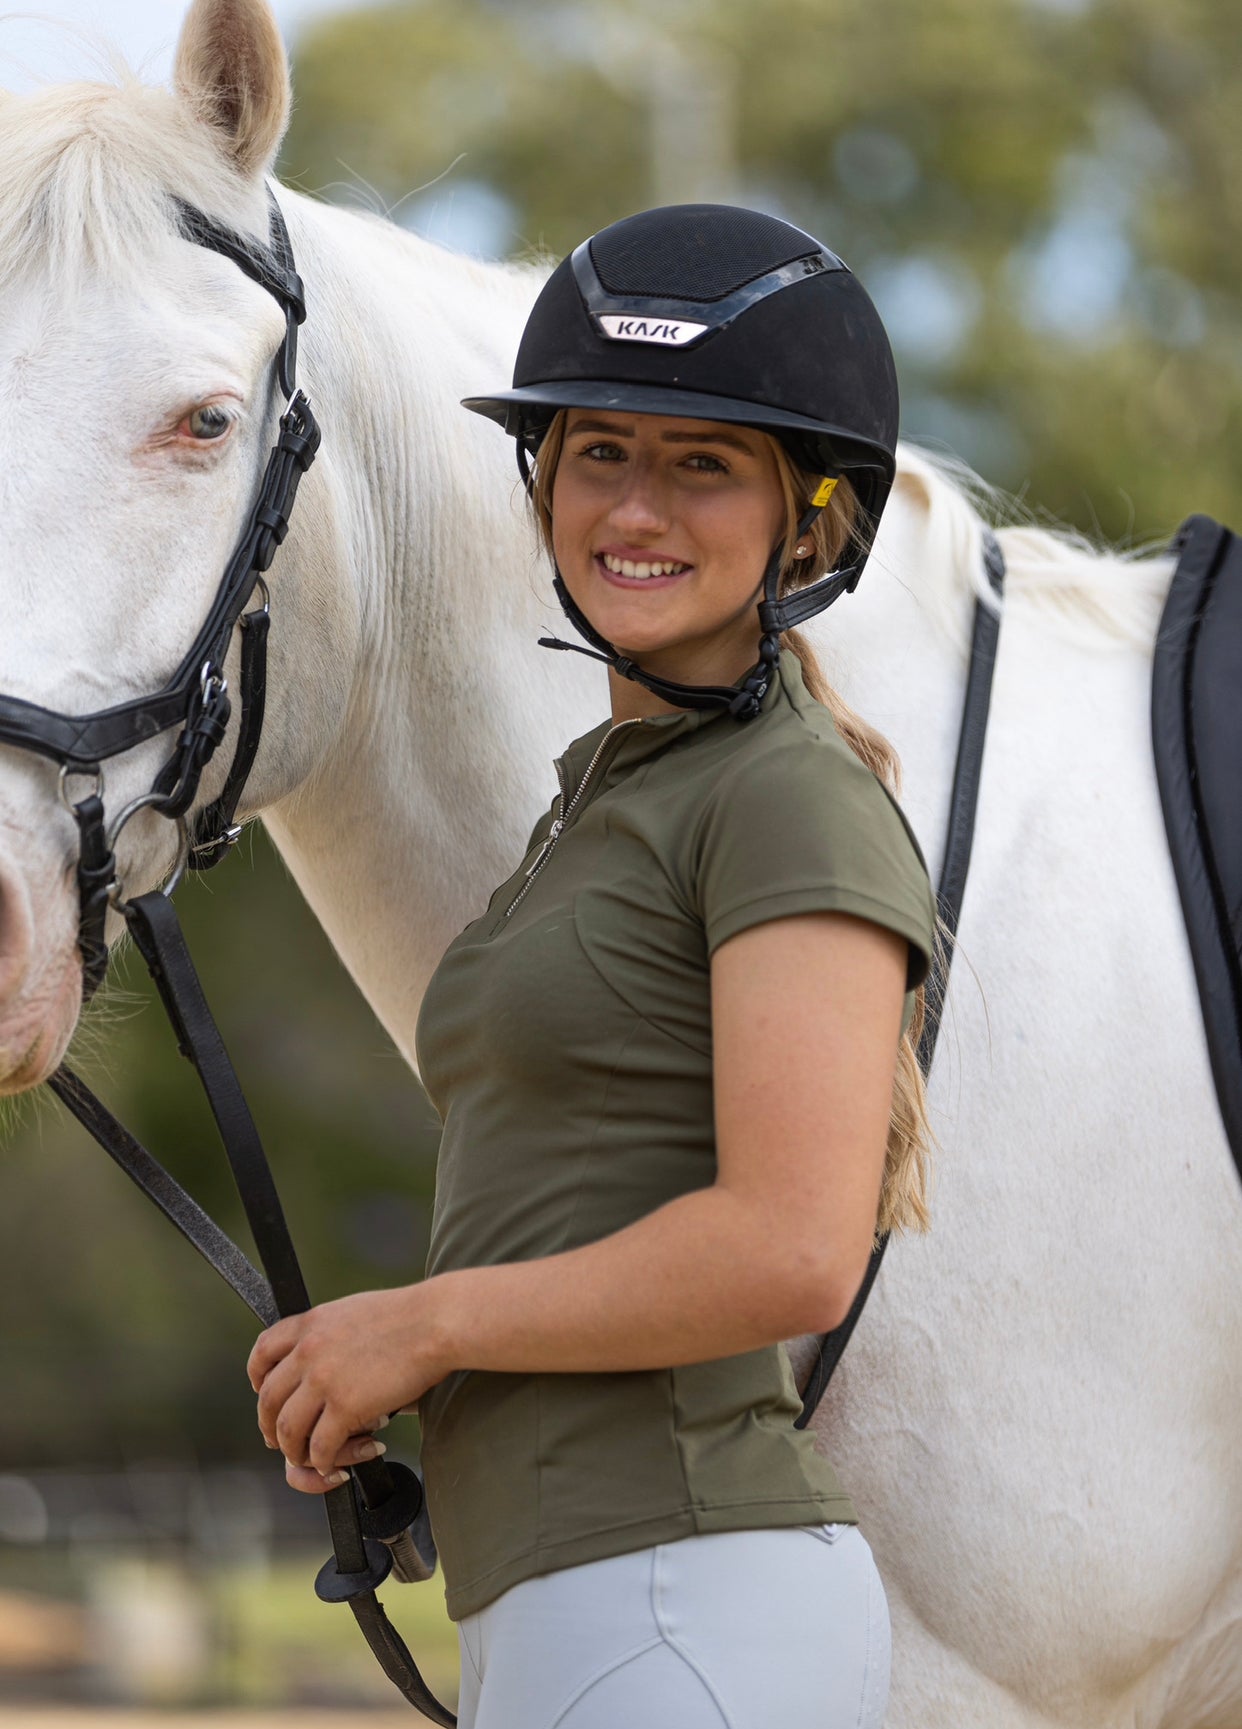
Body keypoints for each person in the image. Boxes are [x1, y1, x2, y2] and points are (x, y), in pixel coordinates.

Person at [248, 204, 938, 1728]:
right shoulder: (609, 790)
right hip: (566, 1596)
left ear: (806, 519)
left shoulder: (786, 793)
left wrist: (421, 1324)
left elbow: (789, 1248)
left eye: (704, 463)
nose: (637, 506)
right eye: (599, 452)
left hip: (681, 1595)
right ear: (544, 479)